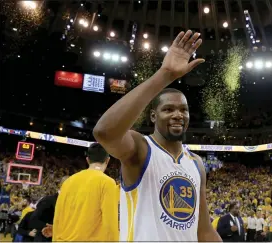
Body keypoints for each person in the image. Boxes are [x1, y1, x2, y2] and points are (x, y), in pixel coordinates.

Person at [93, 30, 221, 242]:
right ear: (153, 116)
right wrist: (166, 74)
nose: (178, 114)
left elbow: (204, 231)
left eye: (183, 110)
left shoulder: (196, 164)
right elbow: (104, 132)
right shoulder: (140, 148)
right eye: (168, 109)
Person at [52, 143, 118, 241]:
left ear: (87, 160)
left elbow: (58, 216)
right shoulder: (107, 183)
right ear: (107, 160)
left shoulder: (68, 181)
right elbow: (110, 223)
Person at [30, 176, 68, 242]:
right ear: (61, 185)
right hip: (45, 239)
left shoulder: (72, 202)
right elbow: (33, 220)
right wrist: (47, 227)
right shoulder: (48, 200)